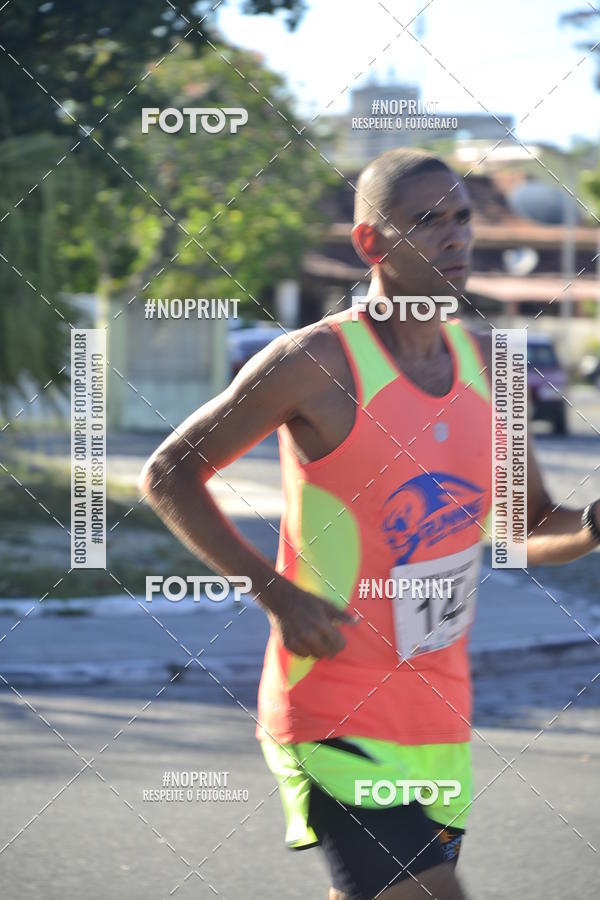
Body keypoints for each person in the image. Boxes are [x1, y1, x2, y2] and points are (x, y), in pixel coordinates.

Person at [139, 148, 600, 900]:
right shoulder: (315, 362)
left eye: (461, 218)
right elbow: (169, 473)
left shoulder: (496, 368)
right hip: (333, 704)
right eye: (426, 221)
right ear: (371, 244)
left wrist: (595, 525)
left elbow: (529, 524)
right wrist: (275, 593)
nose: (455, 237)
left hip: (439, 710)